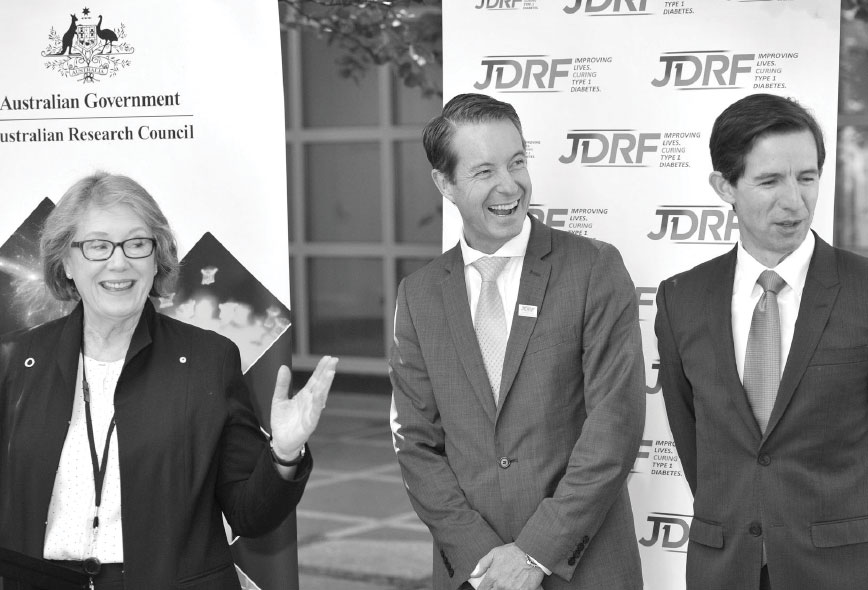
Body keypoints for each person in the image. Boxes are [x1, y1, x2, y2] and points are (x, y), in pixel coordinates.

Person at [0, 172, 338, 590]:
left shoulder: (207, 360)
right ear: (66, 262)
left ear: (156, 258)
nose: (119, 262)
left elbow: (250, 515)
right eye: (98, 245)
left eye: (137, 244)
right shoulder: (18, 361)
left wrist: (284, 454)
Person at [389, 93, 645, 590]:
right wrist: (485, 560)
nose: (509, 185)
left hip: (586, 567)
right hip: (474, 574)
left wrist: (533, 554)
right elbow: (415, 441)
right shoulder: (419, 295)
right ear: (445, 182)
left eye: (517, 162)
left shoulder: (593, 268)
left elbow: (614, 426)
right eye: (483, 171)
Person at [655, 93, 868, 590]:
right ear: (724, 186)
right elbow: (693, 438)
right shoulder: (681, 298)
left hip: (841, 570)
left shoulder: (863, 291)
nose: (793, 201)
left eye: (807, 178)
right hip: (723, 566)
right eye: (769, 181)